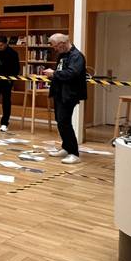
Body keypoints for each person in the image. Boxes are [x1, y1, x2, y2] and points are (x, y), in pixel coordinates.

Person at [43, 33, 87, 164]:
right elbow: (62, 72)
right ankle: (66, 148)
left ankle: (74, 153)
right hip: (59, 93)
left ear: (62, 43)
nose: (55, 49)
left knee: (64, 122)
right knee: (60, 121)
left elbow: (72, 73)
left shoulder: (77, 56)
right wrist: (53, 75)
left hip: (69, 94)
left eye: (55, 46)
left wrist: (54, 73)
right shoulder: (62, 55)